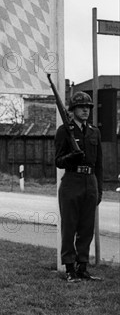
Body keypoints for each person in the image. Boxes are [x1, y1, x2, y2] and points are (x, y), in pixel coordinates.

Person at [55, 91, 103, 283]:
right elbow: (58, 161)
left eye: (88, 107)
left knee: (87, 227)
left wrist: (99, 188)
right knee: (69, 227)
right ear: (73, 110)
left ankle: (82, 266)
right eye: (81, 107)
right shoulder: (64, 131)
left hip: (90, 181)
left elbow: (99, 164)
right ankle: (69, 269)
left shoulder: (94, 132)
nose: (85, 110)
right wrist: (71, 157)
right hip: (72, 181)